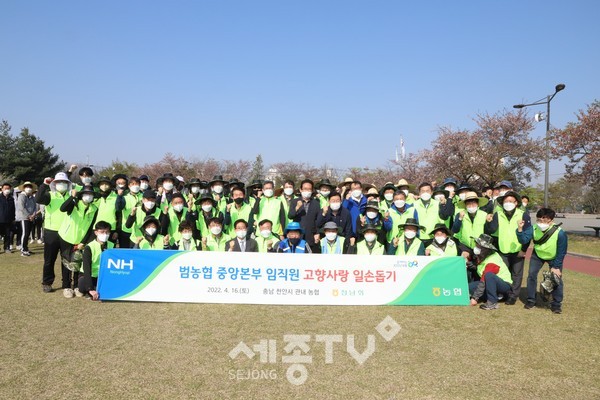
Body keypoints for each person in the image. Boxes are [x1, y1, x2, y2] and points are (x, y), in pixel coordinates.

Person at [486, 190, 532, 305]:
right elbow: (491, 230)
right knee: (503, 273)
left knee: (517, 274)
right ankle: (504, 293)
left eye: (511, 201)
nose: (508, 203)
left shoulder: (523, 214)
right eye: (506, 201)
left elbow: (528, 234)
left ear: (516, 203)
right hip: (503, 249)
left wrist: (523, 250)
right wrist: (488, 222)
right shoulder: (498, 214)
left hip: (518, 250)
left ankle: (513, 296)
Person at [519, 208, 567, 313]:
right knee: (531, 275)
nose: (541, 222)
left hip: (553, 257)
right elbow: (523, 239)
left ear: (551, 220)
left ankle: (556, 304)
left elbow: (562, 251)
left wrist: (556, 267)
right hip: (538, 255)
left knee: (556, 279)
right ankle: (531, 300)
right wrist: (519, 230)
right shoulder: (534, 228)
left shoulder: (560, 233)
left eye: (544, 220)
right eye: (539, 220)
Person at [58, 186, 99, 298]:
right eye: (86, 194)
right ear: (81, 195)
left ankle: (76, 286)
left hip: (81, 240)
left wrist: (83, 242)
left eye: (90, 194)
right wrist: (72, 196)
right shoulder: (74, 204)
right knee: (67, 262)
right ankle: (66, 286)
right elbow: (63, 208)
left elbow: (91, 227)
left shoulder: (94, 209)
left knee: (78, 262)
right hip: (67, 237)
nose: (88, 196)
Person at [36, 172, 73, 293]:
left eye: (64, 182)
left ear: (68, 184)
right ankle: (47, 282)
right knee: (49, 260)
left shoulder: (71, 196)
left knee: (67, 260)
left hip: (67, 232)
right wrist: (43, 185)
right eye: (58, 182)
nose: (61, 184)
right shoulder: (49, 195)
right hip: (51, 232)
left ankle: (67, 284)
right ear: (54, 184)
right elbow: (39, 198)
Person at [468, 234, 513, 310]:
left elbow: (483, 279)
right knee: (469, 287)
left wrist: (475, 298)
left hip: (504, 285)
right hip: (490, 283)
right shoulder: (483, 256)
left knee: (489, 275)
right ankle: (496, 295)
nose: (476, 247)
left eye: (479, 246)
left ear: (485, 249)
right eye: (476, 245)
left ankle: (492, 301)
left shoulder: (492, 260)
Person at [78, 220, 113, 300]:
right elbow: (86, 269)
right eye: (102, 232)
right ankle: (90, 289)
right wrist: (90, 289)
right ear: (96, 232)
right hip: (89, 275)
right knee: (83, 285)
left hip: (103, 276)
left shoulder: (112, 245)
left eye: (107, 232)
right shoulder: (89, 247)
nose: (105, 234)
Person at [412, 182, 454, 247]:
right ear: (419, 193)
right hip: (418, 238)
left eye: (427, 191)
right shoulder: (414, 205)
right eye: (422, 191)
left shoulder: (438, 204)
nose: (425, 193)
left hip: (434, 238)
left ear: (431, 193)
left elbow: (445, 217)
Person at [288, 179, 321, 251]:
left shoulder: (316, 203)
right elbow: (290, 216)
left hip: (310, 235)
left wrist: (317, 233)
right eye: (305, 189)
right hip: (297, 235)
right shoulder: (295, 201)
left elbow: (317, 220)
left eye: (309, 189)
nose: (307, 191)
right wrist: (297, 207)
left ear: (312, 191)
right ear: (301, 190)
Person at [16, 181, 37, 256]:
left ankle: (26, 248)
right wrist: (29, 216)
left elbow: (35, 207)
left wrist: (33, 215)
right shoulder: (21, 196)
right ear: (24, 188)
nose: (28, 188)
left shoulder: (32, 197)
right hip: (24, 217)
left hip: (31, 217)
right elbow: (22, 207)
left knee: (28, 234)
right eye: (27, 187)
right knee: (25, 233)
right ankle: (23, 249)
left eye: (30, 187)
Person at [0, 183, 15, 253]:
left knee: (8, 235)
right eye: (5, 188)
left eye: (8, 188)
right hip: (0, 219)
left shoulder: (11, 199)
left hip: (9, 220)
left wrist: (13, 218)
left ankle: (6, 247)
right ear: (2, 189)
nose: (7, 190)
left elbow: (13, 209)